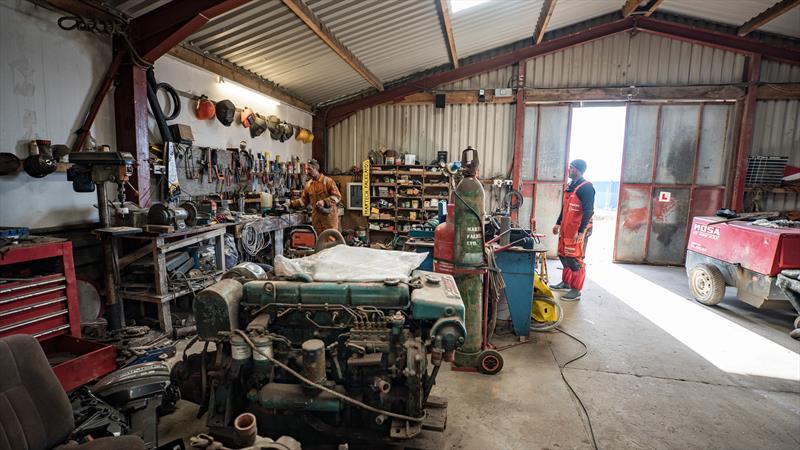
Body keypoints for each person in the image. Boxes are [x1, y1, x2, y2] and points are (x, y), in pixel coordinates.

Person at [550, 159, 595, 301]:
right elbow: (565, 208)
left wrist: (581, 232)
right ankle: (566, 283)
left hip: (577, 230)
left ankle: (576, 290)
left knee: (575, 260)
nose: (569, 169)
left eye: (572, 168)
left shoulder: (586, 187)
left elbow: (589, 211)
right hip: (566, 228)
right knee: (564, 256)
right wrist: (558, 223)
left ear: (579, 170)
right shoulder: (571, 186)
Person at [289, 159, 341, 238]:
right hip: (316, 219)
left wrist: (324, 202)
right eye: (307, 169)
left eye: (310, 169)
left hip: (329, 219)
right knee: (319, 242)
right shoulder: (309, 185)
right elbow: (303, 201)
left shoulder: (328, 181)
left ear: (316, 169)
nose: (308, 172)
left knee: (331, 241)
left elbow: (337, 196)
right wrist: (291, 203)